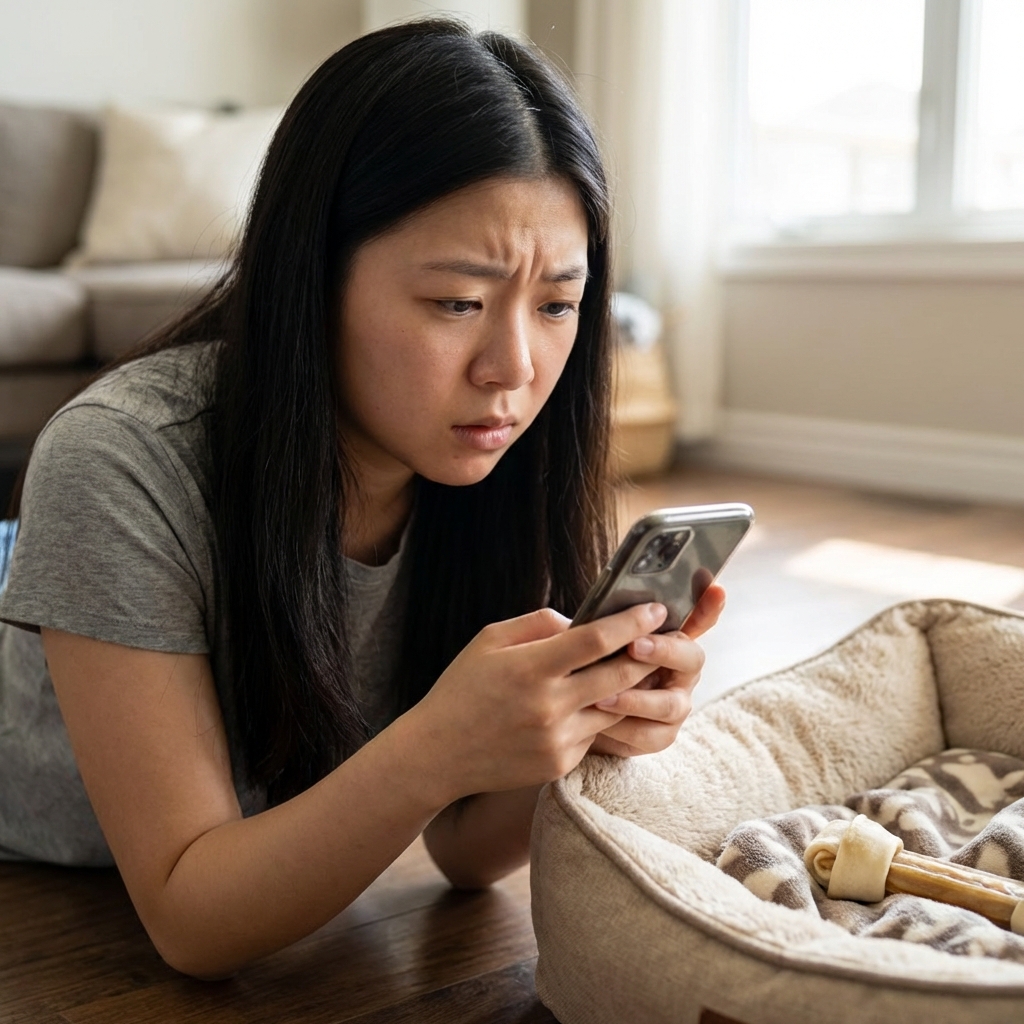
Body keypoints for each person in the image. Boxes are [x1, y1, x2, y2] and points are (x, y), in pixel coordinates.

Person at [0, 19, 724, 978]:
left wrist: (584, 716)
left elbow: (467, 850)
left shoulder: (493, 463)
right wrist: (438, 745)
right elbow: (193, 918)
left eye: (557, 304)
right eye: (456, 303)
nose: (513, 367)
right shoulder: (121, 459)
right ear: (313, 276)